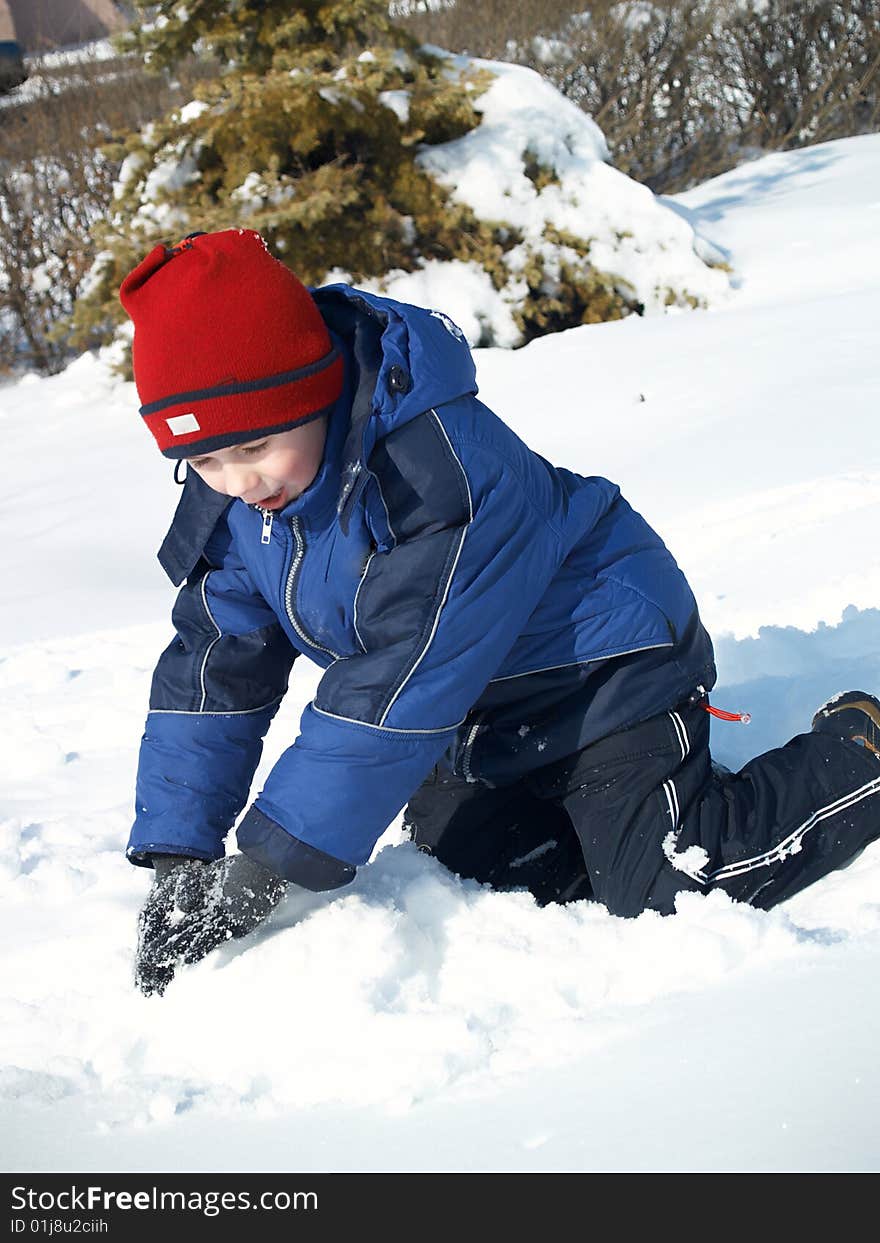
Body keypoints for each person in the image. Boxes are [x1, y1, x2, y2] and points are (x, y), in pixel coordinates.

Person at [120, 228, 880, 997]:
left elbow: (399, 678)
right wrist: (179, 847)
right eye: (205, 461)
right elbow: (214, 661)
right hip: (481, 708)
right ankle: (637, 806)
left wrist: (266, 866)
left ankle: (854, 753)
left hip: (605, 673)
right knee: (466, 879)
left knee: (668, 892)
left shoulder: (436, 474)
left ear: (312, 392)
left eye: (254, 447)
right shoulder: (244, 503)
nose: (237, 481)